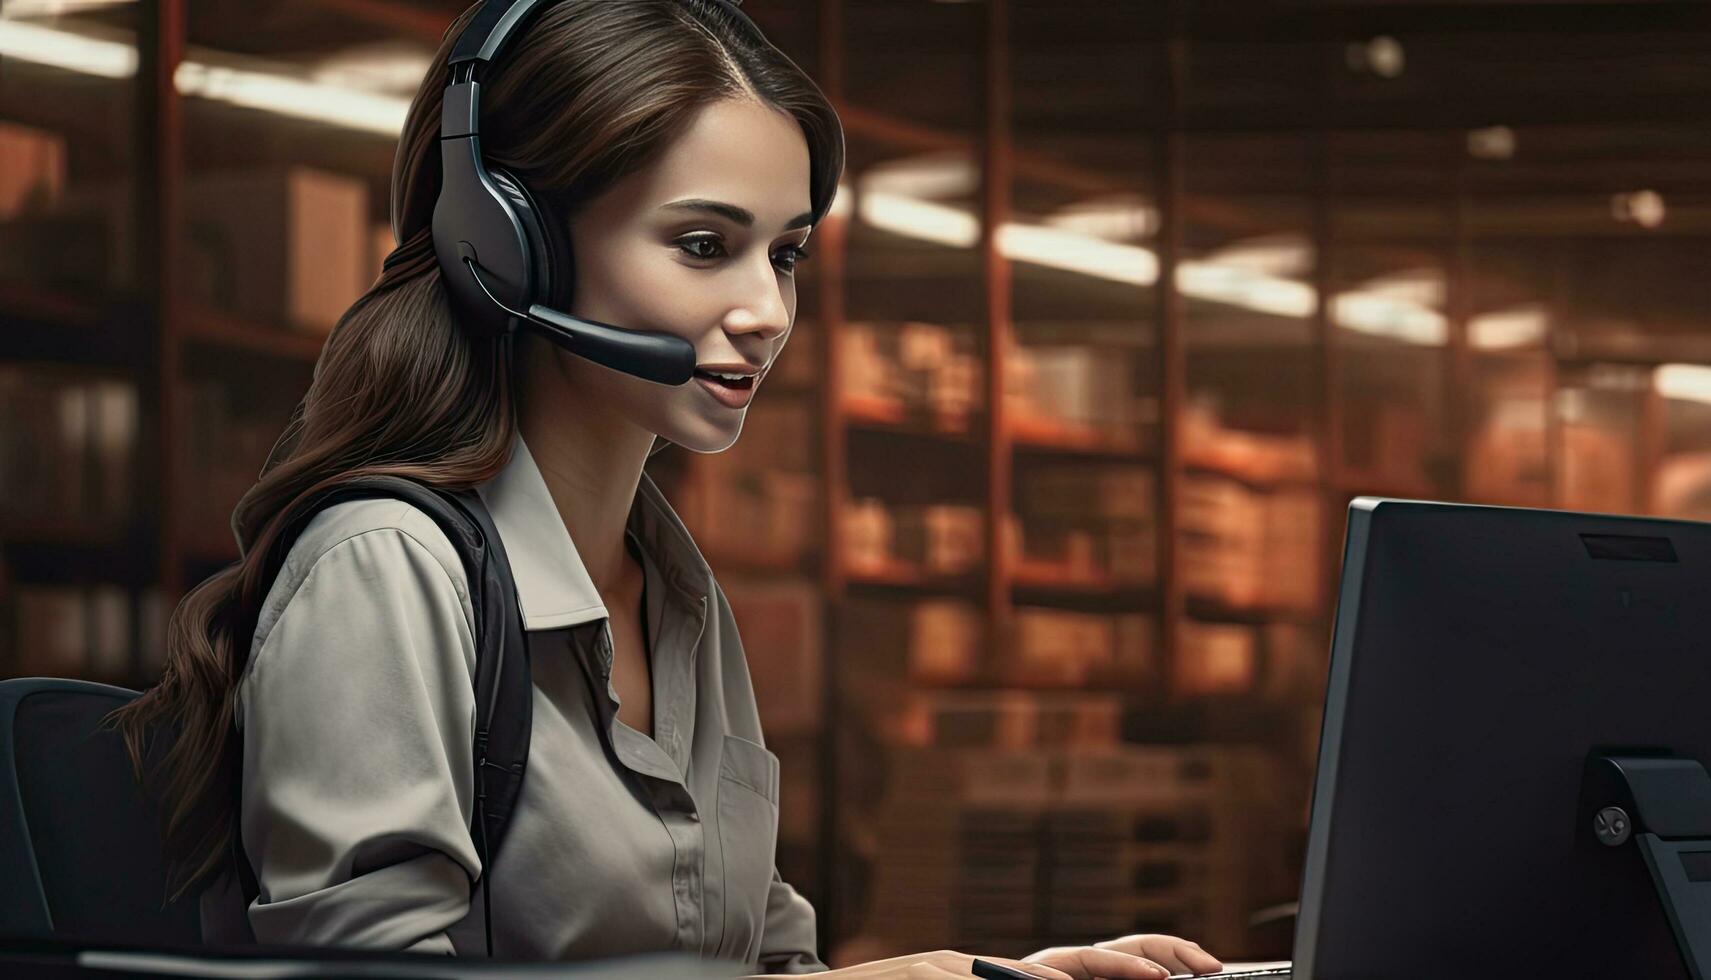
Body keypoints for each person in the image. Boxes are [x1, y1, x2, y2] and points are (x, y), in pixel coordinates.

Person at [105, 3, 1221, 978]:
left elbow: (762, 959)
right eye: (701, 244)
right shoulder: (387, 569)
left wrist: (987, 978)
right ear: (511, 244)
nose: (767, 313)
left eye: (782, 255)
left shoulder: (675, 593)